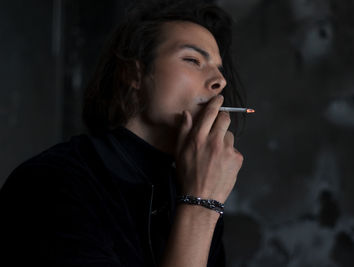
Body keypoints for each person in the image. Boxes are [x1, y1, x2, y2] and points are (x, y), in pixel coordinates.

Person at [0, 0, 246, 266]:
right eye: (192, 59)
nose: (220, 81)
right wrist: (201, 204)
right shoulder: (54, 181)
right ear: (134, 74)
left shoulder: (189, 188)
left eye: (220, 71)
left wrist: (202, 202)